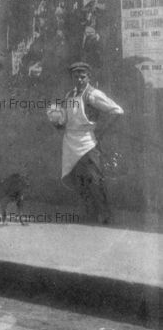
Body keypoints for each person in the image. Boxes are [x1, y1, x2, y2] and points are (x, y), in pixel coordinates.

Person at [53, 61, 123, 223]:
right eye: (76, 76)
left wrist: (100, 131)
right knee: (79, 180)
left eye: (82, 76)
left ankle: (105, 215)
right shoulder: (69, 95)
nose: (79, 79)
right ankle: (88, 213)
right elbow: (64, 119)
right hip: (70, 142)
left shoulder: (92, 94)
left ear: (88, 77)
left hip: (88, 142)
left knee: (95, 180)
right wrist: (57, 120)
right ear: (72, 77)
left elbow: (117, 110)